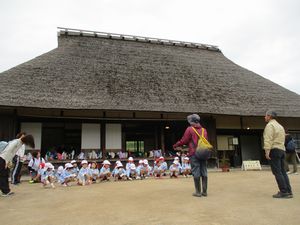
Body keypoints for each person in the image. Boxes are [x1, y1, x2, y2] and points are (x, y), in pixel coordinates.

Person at [173, 114, 209, 197]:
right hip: (203, 152)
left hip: (194, 153)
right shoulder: (204, 130)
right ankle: (204, 191)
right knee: (204, 171)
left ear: (191, 121)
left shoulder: (190, 129)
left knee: (196, 171)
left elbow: (184, 140)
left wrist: (176, 145)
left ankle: (198, 192)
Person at [263, 110, 293, 198]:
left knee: (277, 172)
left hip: (274, 150)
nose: (264, 117)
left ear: (269, 116)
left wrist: (267, 151)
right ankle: (288, 191)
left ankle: (283, 191)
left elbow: (268, 139)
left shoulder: (270, 125)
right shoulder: (280, 126)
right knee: (283, 171)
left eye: (265, 116)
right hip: (282, 150)